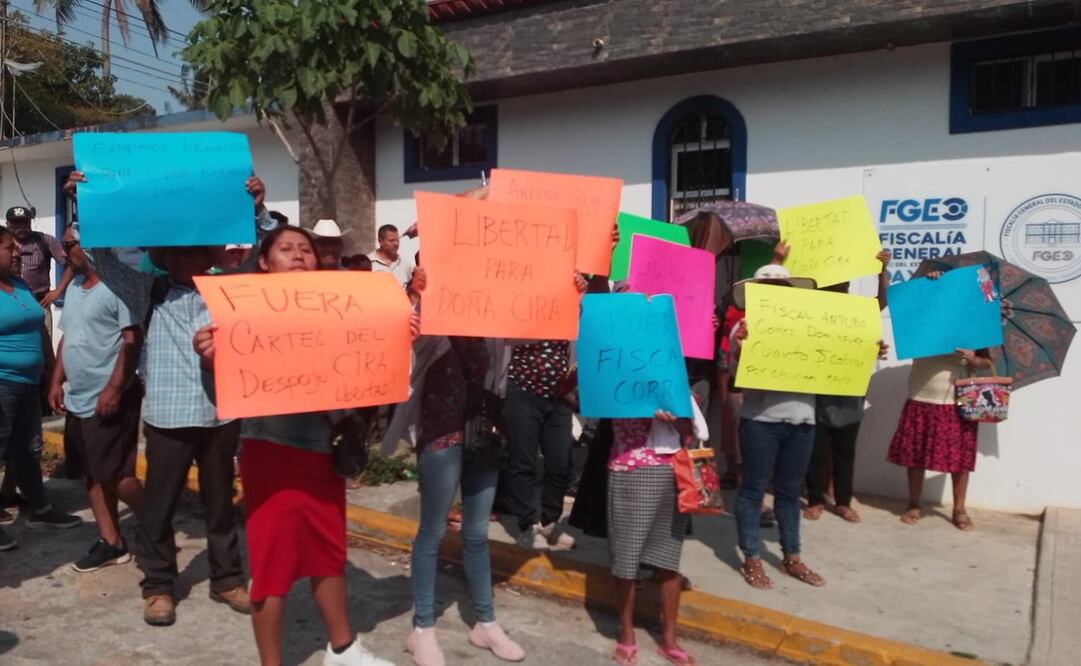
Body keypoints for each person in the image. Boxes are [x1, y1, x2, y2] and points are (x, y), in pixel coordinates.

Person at [194, 226, 397, 666]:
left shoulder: (339, 308)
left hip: (325, 452)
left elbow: (368, 368)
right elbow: (222, 390)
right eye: (286, 249)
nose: (299, 255)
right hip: (271, 451)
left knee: (328, 552)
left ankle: (342, 650)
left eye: (305, 249)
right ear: (264, 263)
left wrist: (400, 335)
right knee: (272, 564)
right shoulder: (242, 314)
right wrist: (210, 356)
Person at [64, 170, 254, 626]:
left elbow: (256, 264)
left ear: (210, 254)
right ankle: (158, 587)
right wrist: (84, 204)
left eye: (196, 249)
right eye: (178, 250)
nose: (187, 256)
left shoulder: (229, 289)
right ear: (164, 257)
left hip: (219, 416)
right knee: (159, 508)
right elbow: (102, 259)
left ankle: (227, 579)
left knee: (220, 505)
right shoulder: (145, 289)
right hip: (168, 418)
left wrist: (254, 208)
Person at [47, 226, 145, 571]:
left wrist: (114, 388)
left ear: (89, 247)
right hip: (78, 398)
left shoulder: (117, 287)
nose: (64, 252)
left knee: (117, 476)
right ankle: (112, 542)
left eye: (69, 244)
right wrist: (57, 381)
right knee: (92, 472)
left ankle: (154, 520)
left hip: (110, 399)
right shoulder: (74, 287)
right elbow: (67, 338)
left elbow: (131, 340)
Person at [887, 269, 1001, 531]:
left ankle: (959, 509)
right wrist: (926, 283)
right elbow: (906, 303)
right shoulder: (922, 315)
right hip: (921, 396)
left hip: (957, 402)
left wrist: (974, 359)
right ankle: (914, 503)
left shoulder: (973, 323)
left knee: (959, 460)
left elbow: (987, 362)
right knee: (915, 456)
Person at [0, 226, 82, 551]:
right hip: (2, 383)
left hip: (29, 383)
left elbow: (39, 331)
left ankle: (38, 506)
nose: (19, 253)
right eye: (10, 248)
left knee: (29, 448)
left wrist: (51, 373)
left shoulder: (19, 286)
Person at [609, 408, 705, 666]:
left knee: (668, 559)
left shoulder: (674, 384)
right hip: (629, 469)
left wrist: (677, 420)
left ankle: (669, 639)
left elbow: (694, 432)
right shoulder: (616, 377)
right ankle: (626, 633)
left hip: (673, 473)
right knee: (627, 557)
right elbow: (587, 405)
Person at [803, 250, 891, 524]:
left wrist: (881, 273)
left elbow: (881, 303)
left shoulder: (858, 312)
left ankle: (843, 502)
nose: (840, 289)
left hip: (849, 391)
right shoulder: (810, 313)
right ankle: (816, 499)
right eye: (835, 285)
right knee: (816, 451)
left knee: (845, 451)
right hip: (816, 390)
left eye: (844, 285)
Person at [5, 205, 74, 335]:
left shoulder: (44, 240)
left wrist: (58, 291)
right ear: (8, 224)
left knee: (43, 346)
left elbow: (71, 263)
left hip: (39, 303)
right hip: (10, 304)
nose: (21, 226)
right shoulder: (3, 245)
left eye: (25, 222)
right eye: (16, 223)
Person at [369, 224, 415, 288]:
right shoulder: (369, 262)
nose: (396, 244)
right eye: (391, 240)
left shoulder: (405, 264)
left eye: (397, 240)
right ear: (380, 241)